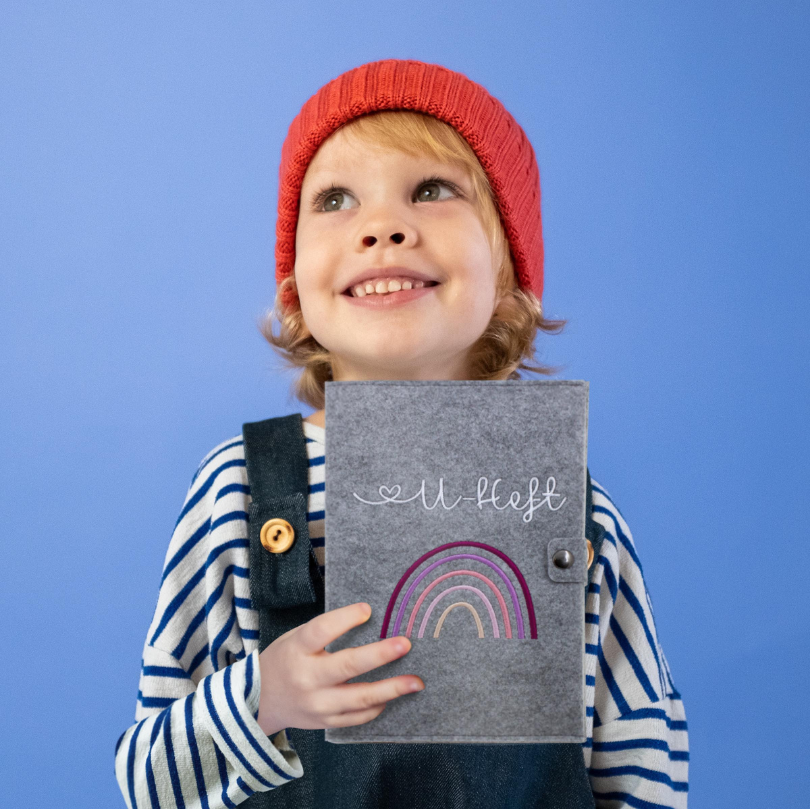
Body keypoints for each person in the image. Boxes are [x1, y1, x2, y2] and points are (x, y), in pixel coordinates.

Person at [114, 58, 689, 808]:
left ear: (510, 276)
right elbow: (145, 781)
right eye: (336, 199)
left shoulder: (576, 517)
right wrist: (263, 698)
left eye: (431, 190)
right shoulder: (243, 492)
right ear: (294, 293)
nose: (382, 227)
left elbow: (643, 757)